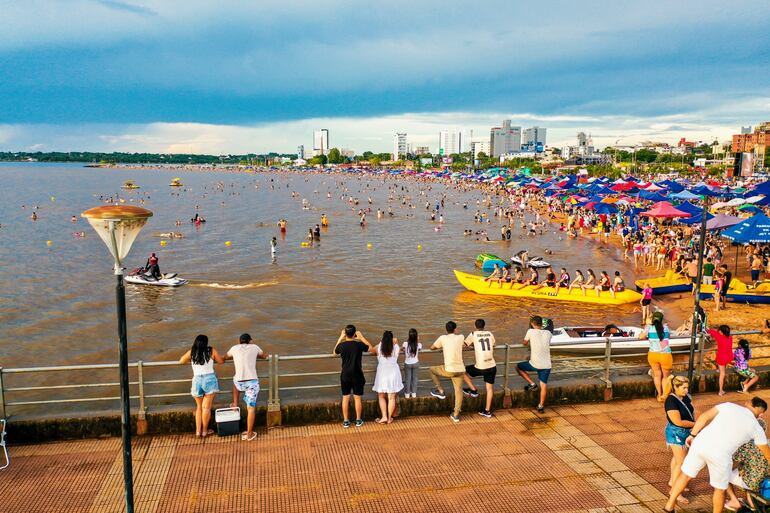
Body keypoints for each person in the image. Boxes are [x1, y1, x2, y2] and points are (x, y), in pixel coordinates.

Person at [663, 397, 770, 513]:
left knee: (685, 475)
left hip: (700, 443)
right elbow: (767, 455)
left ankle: (669, 506)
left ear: (748, 403)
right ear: (761, 414)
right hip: (721, 454)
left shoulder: (729, 405)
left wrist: (693, 435)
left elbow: (704, 417)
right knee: (720, 489)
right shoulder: (757, 428)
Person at [179, 334, 225, 438]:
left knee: (199, 407)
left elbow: (181, 360)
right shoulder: (211, 351)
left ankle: (197, 432)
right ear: (206, 343)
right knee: (206, 408)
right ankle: (204, 431)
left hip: (197, 380)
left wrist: (190, 360)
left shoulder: (192, 352)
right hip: (209, 380)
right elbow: (221, 361)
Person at [225, 333, 268, 441]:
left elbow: (225, 357)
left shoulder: (234, 348)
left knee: (234, 383)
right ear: (250, 340)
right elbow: (265, 356)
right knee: (251, 408)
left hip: (239, 382)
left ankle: (235, 404)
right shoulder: (255, 347)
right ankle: (249, 434)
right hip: (252, 383)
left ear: (239, 341)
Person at [663, 375, 696, 506]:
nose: (686, 390)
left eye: (687, 387)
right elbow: (678, 421)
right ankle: (676, 492)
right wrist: (695, 424)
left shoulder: (686, 397)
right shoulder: (670, 401)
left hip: (686, 431)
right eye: (683, 388)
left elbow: (691, 412)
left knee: (677, 459)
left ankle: (673, 482)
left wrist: (694, 425)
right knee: (681, 463)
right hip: (676, 433)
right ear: (675, 387)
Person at [725, 417, 770, 511]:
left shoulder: (746, 446)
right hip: (766, 480)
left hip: (755, 482)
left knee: (723, 474)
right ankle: (751, 503)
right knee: (748, 471)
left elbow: (732, 462)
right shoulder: (768, 442)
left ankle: (734, 501)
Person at [333, 325, 373, 428]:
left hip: (345, 375)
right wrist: (362, 337)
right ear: (355, 334)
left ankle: (346, 421)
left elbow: (334, 353)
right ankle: (358, 420)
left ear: (345, 334)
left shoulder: (341, 346)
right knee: (357, 398)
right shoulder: (358, 345)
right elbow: (371, 348)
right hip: (357, 374)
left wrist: (340, 338)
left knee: (345, 398)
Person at [429, 321, 466, 423]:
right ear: (455, 329)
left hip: (449, 369)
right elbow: (464, 344)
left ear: (446, 329)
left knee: (431, 370)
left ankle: (440, 391)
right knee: (458, 391)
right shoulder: (461, 337)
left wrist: (440, 347)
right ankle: (456, 415)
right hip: (460, 369)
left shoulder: (443, 338)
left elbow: (432, 347)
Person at [461, 319, 497, 418]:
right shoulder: (490, 333)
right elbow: (493, 344)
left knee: (462, 371)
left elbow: (464, 345)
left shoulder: (473, 334)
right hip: (492, 365)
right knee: (489, 389)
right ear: (484, 326)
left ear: (475, 326)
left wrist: (473, 344)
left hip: (481, 366)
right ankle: (487, 411)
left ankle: (473, 389)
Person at [516, 315, 552, 413]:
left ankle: (532, 384)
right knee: (544, 385)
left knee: (519, 367)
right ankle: (540, 406)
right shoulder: (548, 333)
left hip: (535, 364)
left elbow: (524, 343)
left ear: (532, 324)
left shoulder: (530, 331)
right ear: (541, 323)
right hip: (547, 365)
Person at [370, 331, 403, 424]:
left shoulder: (379, 346)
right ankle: (389, 418)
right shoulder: (396, 347)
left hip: (382, 373)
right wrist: (396, 342)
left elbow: (371, 349)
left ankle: (384, 417)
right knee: (391, 397)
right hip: (393, 372)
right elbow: (399, 351)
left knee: (381, 396)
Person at [639, 311, 672, 401]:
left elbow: (641, 337)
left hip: (653, 355)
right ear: (661, 320)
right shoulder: (665, 328)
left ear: (653, 319)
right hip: (665, 355)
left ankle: (659, 394)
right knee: (665, 377)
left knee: (657, 375)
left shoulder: (649, 328)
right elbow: (668, 336)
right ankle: (664, 396)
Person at [707, 324, 733, 396]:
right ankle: (718, 368)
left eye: (719, 331)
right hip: (728, 357)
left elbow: (711, 331)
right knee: (722, 370)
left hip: (721, 358)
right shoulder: (730, 338)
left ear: (721, 332)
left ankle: (720, 391)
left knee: (722, 374)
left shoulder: (719, 337)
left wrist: (706, 330)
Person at [402, 329, 421, 398]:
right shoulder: (418, 344)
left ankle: (407, 394)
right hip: (416, 363)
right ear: (416, 336)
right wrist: (417, 340)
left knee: (408, 379)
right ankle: (413, 393)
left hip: (407, 363)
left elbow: (402, 349)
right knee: (415, 378)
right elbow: (419, 348)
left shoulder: (405, 344)